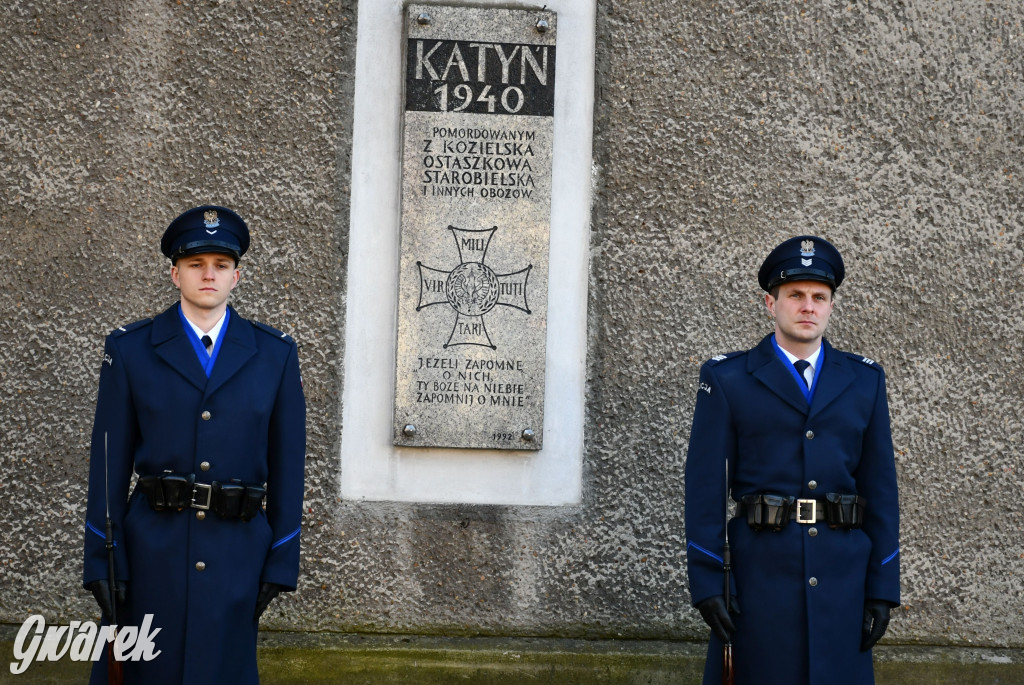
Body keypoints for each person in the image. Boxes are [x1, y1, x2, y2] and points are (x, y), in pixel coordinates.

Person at [82, 205, 306, 684]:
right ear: (174, 274)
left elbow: (289, 467)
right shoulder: (130, 350)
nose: (209, 275)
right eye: (195, 264)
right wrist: (102, 556)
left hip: (236, 553)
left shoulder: (275, 355)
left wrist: (282, 558)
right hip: (151, 553)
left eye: (221, 265)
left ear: (236, 276)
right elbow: (108, 463)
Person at [684, 235, 900, 684]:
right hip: (760, 575)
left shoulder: (864, 380)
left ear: (831, 306)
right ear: (771, 303)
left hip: (843, 577)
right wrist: (707, 581)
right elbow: (704, 488)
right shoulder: (728, 379)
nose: (808, 306)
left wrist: (883, 586)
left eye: (819, 297)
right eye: (795, 295)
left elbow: (880, 488)